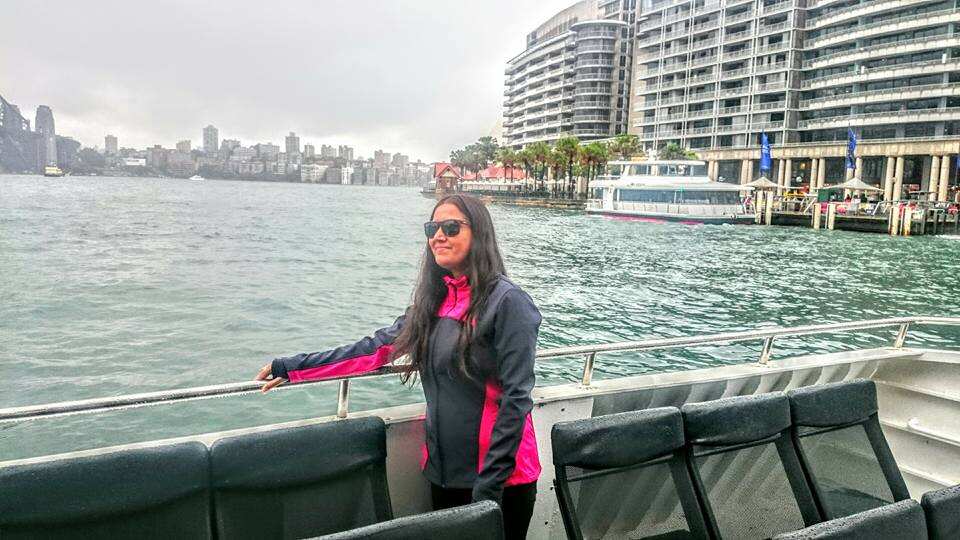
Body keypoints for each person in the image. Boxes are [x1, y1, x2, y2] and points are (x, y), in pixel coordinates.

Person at [255, 194, 542, 539]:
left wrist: (489, 486)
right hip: (444, 472)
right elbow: (372, 351)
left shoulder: (508, 302)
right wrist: (292, 367)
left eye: (451, 227)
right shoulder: (432, 303)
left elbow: (516, 398)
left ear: (479, 233)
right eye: (432, 228)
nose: (438, 235)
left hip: (500, 479)